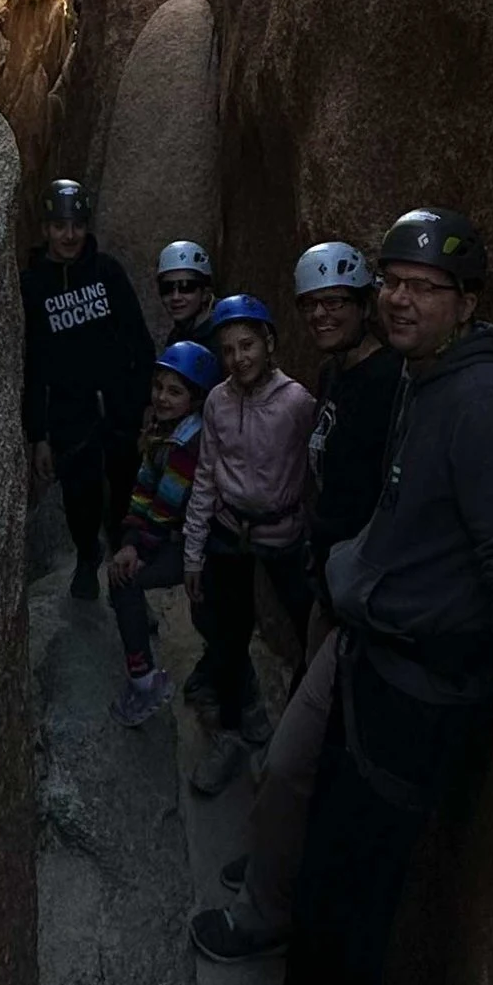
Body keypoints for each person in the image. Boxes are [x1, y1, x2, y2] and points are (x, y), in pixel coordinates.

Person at [200, 210, 493, 985]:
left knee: (352, 907)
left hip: (415, 696)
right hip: (375, 662)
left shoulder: (482, 405)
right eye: (391, 279)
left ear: (466, 303)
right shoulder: (422, 381)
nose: (399, 297)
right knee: (322, 871)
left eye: (424, 286)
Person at [191, 240, 401, 964]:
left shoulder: (369, 387)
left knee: (295, 758)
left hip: (354, 603)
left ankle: (269, 902)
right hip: (327, 585)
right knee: (298, 750)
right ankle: (277, 859)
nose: (323, 314)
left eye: (335, 303)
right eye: (313, 304)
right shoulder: (338, 378)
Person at [181, 295, 316, 798]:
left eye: (248, 345)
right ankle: (237, 731)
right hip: (228, 530)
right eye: (229, 350)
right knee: (228, 634)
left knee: (310, 628)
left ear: (269, 343)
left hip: (281, 533)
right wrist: (193, 551)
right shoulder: (218, 400)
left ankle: (296, 743)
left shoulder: (297, 404)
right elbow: (207, 476)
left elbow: (317, 473)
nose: (239, 358)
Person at [21, 177, 155, 601]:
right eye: (60, 225)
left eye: (77, 224)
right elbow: (32, 365)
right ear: (45, 229)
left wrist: (147, 401)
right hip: (69, 412)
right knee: (79, 497)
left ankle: (127, 580)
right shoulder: (33, 286)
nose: (69, 235)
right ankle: (85, 555)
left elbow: (137, 336)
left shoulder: (107, 272)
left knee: (126, 496)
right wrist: (38, 436)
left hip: (118, 407)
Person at [105, 338, 217, 722]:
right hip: (172, 535)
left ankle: (145, 682)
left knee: (126, 581)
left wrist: (136, 546)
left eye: (175, 391)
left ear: (196, 397)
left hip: (193, 545)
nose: (163, 398)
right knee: (123, 575)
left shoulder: (189, 442)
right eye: (159, 388)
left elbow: (167, 505)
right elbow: (143, 489)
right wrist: (130, 539)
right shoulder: (165, 431)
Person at [155, 241, 216, 351]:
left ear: (205, 293)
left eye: (186, 287)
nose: (175, 297)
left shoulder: (225, 335)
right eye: (167, 288)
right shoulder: (177, 337)